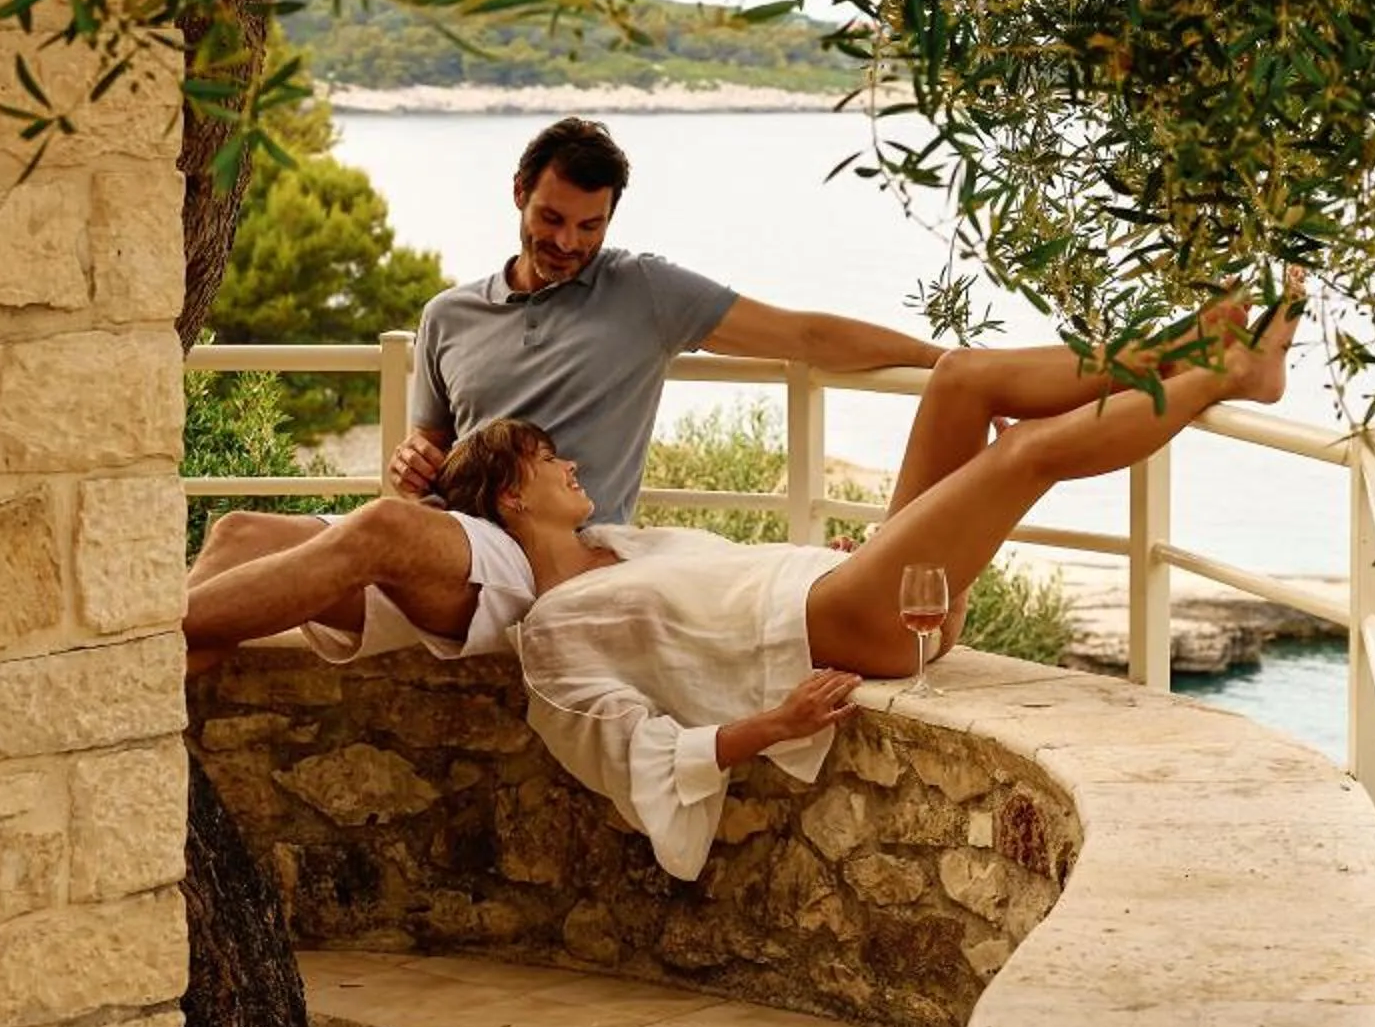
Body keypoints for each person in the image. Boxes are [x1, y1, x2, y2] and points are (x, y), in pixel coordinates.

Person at [434, 288, 1299, 878]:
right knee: (1025, 453)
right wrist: (772, 725)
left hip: (847, 587)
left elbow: (730, 587)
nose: (572, 464)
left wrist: (843, 555)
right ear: (511, 495)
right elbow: (631, 755)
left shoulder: (622, 543)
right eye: (547, 460)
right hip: (848, 627)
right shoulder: (553, 633)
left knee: (963, 380)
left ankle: (1189, 343)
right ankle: (1228, 375)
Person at [183, 116, 944, 672]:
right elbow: (431, 456)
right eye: (551, 218)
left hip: (543, 561)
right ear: (519, 193)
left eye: (590, 226)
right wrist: (413, 461)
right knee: (236, 534)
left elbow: (803, 335)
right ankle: (166, 708)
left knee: (377, 527)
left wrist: (939, 361)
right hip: (445, 541)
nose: (568, 242)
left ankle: (137, 640)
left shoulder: (645, 292)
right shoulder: (448, 315)